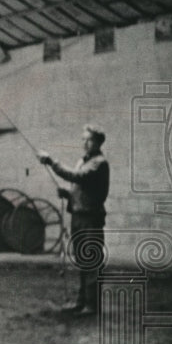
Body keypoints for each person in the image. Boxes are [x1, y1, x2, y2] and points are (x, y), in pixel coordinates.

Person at [38, 126, 109, 315]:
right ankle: (82, 302)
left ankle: (92, 305)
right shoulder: (82, 161)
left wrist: (52, 162)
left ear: (98, 142)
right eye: (83, 139)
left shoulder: (99, 163)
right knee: (81, 260)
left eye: (89, 140)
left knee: (91, 261)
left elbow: (78, 177)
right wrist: (68, 194)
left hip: (91, 218)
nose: (85, 143)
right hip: (78, 216)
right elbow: (82, 189)